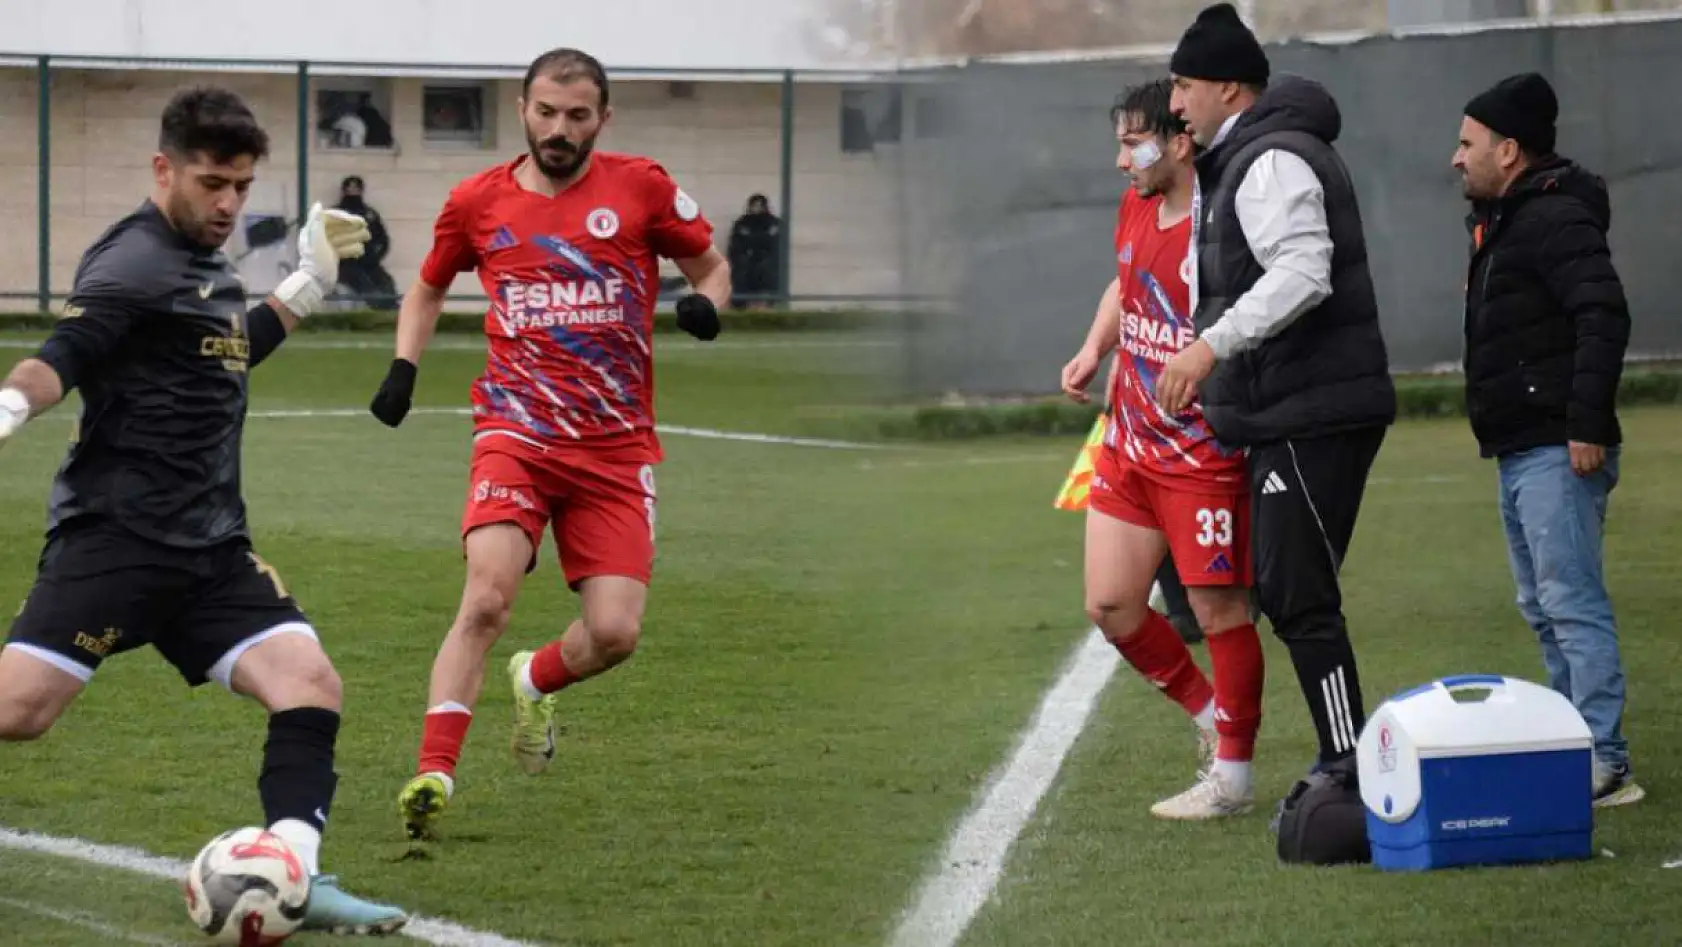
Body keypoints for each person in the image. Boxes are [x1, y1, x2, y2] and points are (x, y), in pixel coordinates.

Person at [0, 86, 408, 934]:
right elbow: (63, 353)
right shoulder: (132, 262)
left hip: (211, 549)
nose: (228, 204)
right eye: (212, 182)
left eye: (242, 187)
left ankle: (295, 871)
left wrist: (306, 285)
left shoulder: (208, 264)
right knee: (17, 712)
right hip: (117, 540)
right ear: (165, 169)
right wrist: (10, 405)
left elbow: (226, 351)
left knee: (309, 683)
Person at [368, 47, 732, 842]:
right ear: (522, 111)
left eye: (576, 115)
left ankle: (533, 679)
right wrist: (403, 369)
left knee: (614, 634)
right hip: (516, 430)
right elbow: (427, 285)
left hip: (614, 445)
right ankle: (434, 769)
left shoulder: (642, 188)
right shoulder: (478, 201)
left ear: (603, 118)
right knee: (489, 594)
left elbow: (712, 267)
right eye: (545, 112)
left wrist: (707, 305)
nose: (558, 129)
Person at [1157, 4, 1397, 794]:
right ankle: (1343, 759)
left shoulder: (1273, 160)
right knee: (1281, 587)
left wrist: (1208, 345)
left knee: (1299, 593)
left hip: (1313, 409)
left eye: (1185, 85)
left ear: (1230, 88)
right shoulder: (1239, 160)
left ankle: (1346, 763)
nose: (1175, 102)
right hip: (1285, 409)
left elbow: (1304, 271)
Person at [1060, 78, 1264, 820]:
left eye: (1132, 143)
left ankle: (1234, 778)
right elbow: (1125, 286)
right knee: (1111, 602)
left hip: (1202, 456)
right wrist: (1092, 350)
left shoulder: (1224, 223)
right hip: (1128, 444)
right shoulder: (1138, 203)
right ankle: (1211, 718)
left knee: (1219, 611)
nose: (1122, 161)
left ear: (1180, 141)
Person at [1452, 73, 1639, 806]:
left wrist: (1586, 421)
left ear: (1509, 149)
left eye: (1467, 144)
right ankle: (1577, 743)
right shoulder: (1509, 219)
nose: (1455, 158)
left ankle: (1604, 757)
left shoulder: (1554, 218)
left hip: (1556, 449)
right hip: (1523, 446)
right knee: (1544, 602)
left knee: (1571, 601)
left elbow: (1604, 314)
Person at [335, 175, 398, 309]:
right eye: (349, 188)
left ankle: (392, 309)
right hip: (346, 265)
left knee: (386, 282)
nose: (353, 192)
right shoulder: (334, 214)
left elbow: (382, 240)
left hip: (368, 263)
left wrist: (375, 256)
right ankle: (380, 310)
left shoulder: (369, 214)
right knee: (365, 284)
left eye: (356, 189)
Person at [727, 194, 782, 309]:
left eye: (759, 206)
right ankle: (742, 307)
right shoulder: (742, 223)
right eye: (754, 206)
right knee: (741, 277)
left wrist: (753, 239)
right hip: (746, 265)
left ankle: (767, 305)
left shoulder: (774, 223)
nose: (756, 209)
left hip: (767, 266)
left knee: (767, 276)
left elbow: (777, 247)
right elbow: (735, 247)